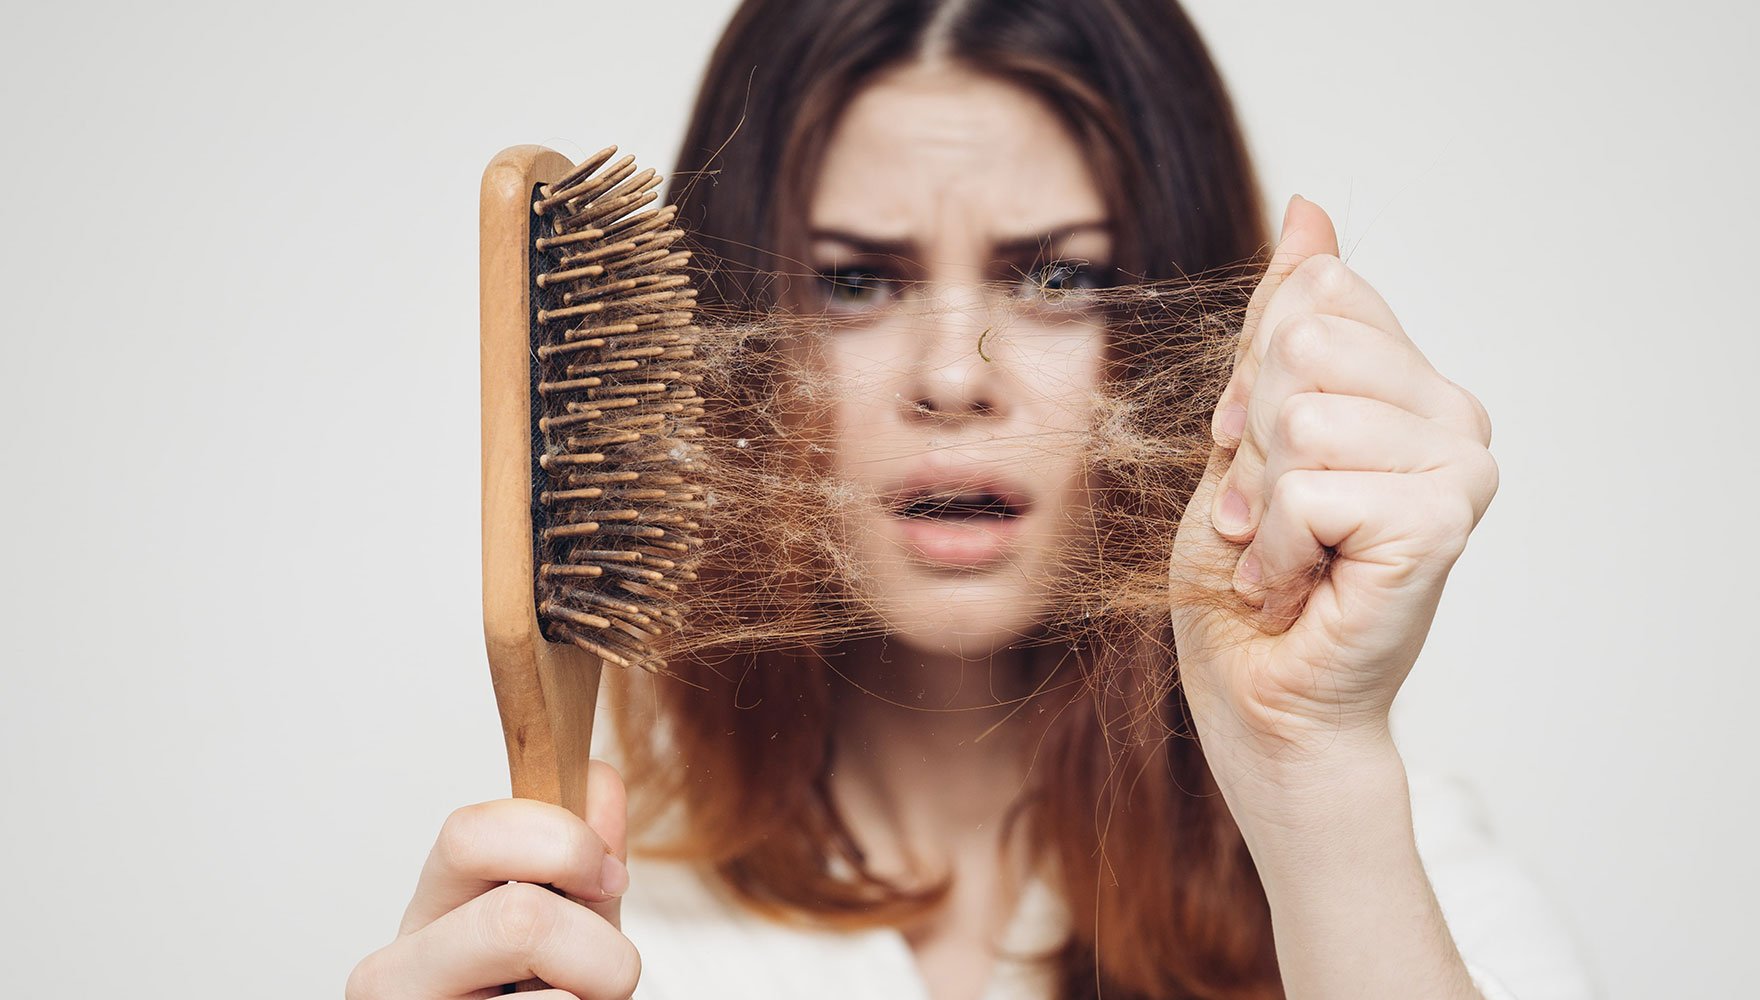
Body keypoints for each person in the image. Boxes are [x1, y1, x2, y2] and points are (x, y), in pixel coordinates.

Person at [348, 1, 1593, 997]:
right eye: (851, 282)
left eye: (1057, 275)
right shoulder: (598, 929)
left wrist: (1309, 769)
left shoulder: (1379, 857)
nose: (953, 378)